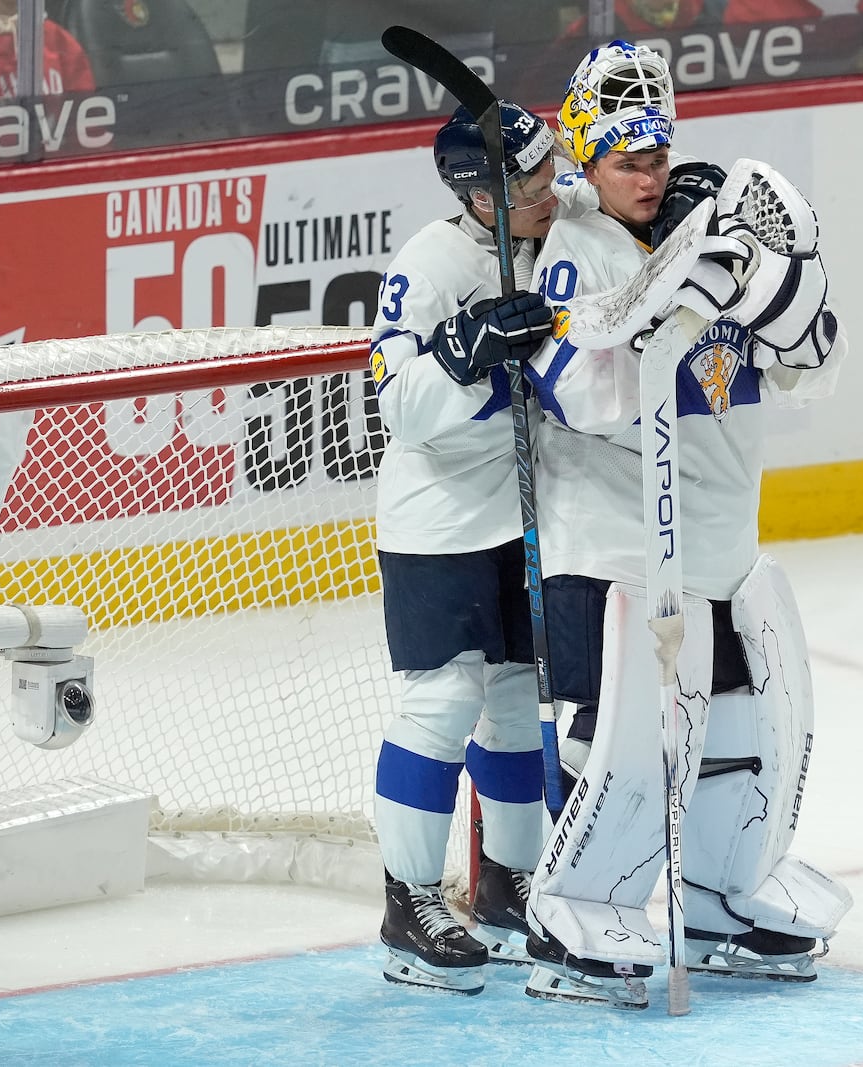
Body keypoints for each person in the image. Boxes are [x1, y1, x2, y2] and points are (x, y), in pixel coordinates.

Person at [522, 40, 854, 1009]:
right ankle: (574, 903)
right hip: (613, 537)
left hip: (713, 539)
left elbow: (809, 366)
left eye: (657, 154)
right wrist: (656, 299)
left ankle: (714, 894)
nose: (647, 173)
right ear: (587, 159)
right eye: (627, 158)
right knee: (625, 736)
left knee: (742, 727)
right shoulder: (572, 252)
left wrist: (778, 284)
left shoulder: (715, 236)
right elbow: (576, 394)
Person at [368, 100, 591, 996]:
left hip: (525, 514)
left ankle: (504, 887)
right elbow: (393, 407)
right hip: (442, 520)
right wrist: (459, 353)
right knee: (444, 698)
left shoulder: (553, 225)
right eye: (533, 182)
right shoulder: (426, 267)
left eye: (552, 170)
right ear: (484, 198)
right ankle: (408, 902)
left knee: (512, 698)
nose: (553, 190)